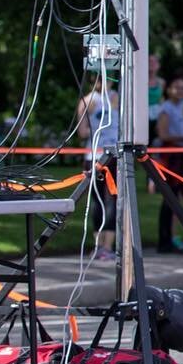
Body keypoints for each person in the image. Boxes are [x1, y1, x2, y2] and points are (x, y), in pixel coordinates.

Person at [76, 75, 120, 261]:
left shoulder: (115, 97)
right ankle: (100, 245)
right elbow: (82, 132)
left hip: (111, 155)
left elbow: (82, 132)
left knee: (109, 199)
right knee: (99, 199)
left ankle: (106, 246)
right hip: (95, 155)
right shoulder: (88, 101)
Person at [153, 75, 183, 254]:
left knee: (177, 199)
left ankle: (172, 237)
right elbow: (163, 135)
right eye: (176, 87)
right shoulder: (166, 108)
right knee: (170, 198)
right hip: (171, 156)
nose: (180, 91)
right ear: (169, 90)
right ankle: (165, 239)